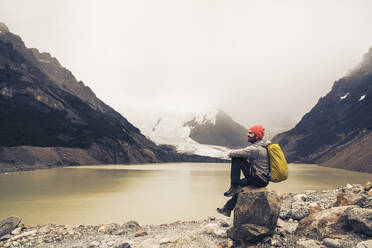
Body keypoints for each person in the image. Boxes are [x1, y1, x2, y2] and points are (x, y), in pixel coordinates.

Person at [217, 125, 271, 217]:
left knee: (236, 158)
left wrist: (228, 153)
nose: (247, 134)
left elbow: (233, 154)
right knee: (241, 184)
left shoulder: (255, 149)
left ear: (257, 136)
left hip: (258, 179)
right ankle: (227, 208)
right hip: (263, 179)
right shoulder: (263, 147)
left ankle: (234, 186)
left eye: (251, 133)